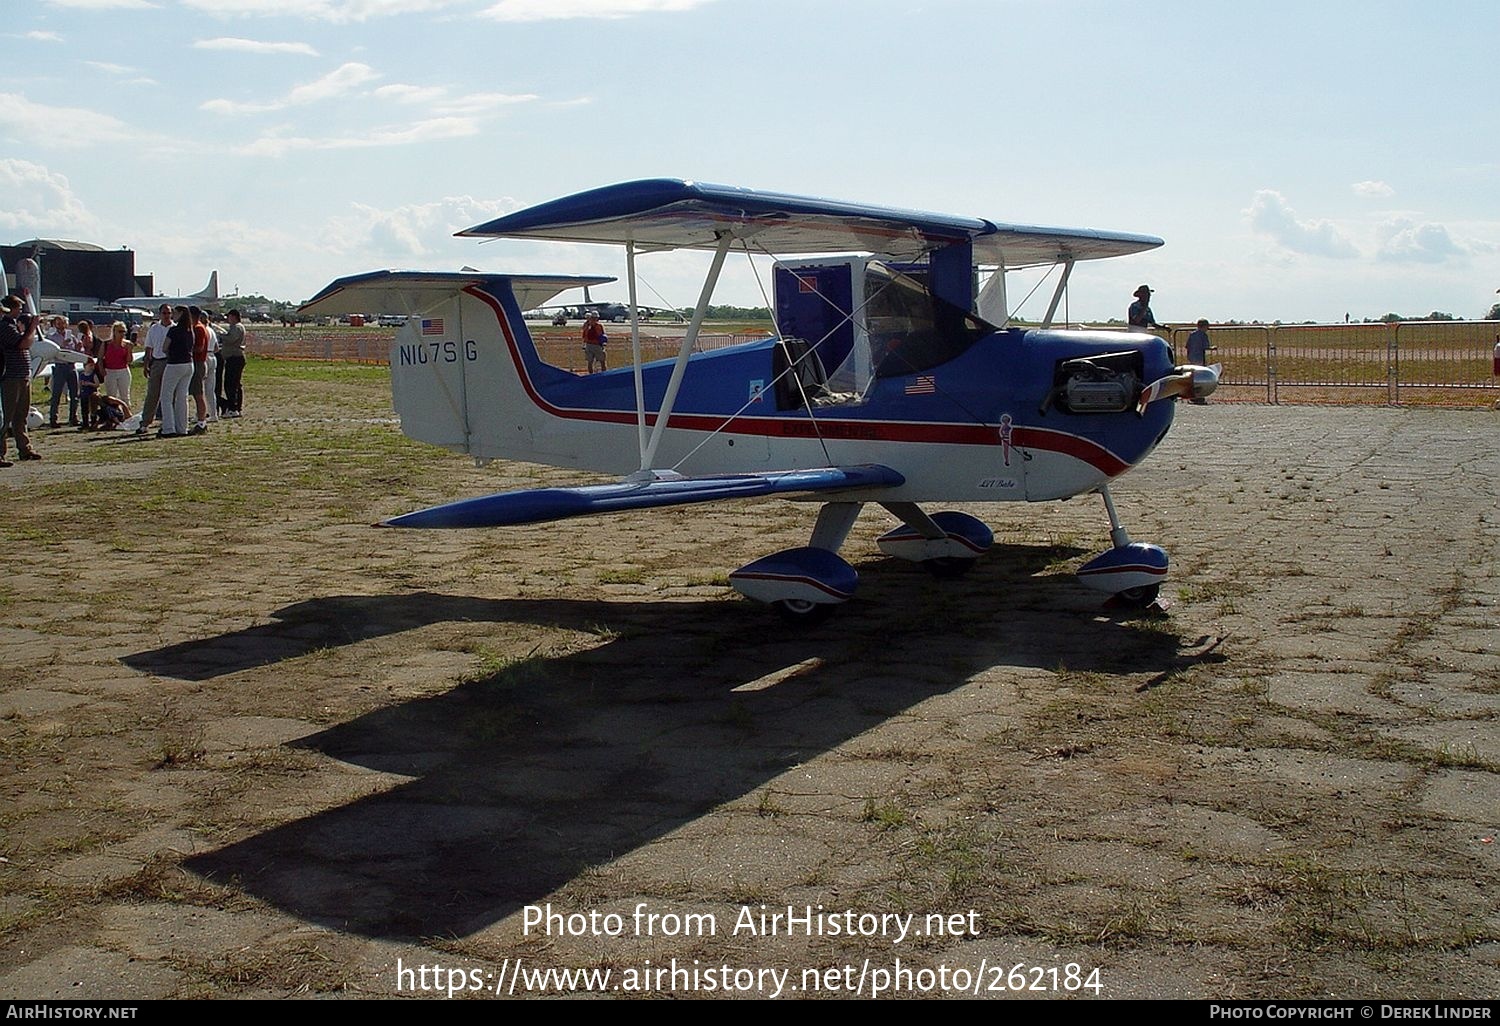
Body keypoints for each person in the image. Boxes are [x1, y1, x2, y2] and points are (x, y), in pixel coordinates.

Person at [0, 295, 41, 464]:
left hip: (23, 375)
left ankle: (24, 448)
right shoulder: (5, 327)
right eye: (18, 308)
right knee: (6, 416)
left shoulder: (15, 326)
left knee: (21, 415)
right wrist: (32, 328)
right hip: (11, 376)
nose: (21, 312)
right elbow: (23, 344)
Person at [137, 303, 173, 435]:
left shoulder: (174, 328)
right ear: (160, 314)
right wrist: (146, 364)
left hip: (170, 362)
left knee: (169, 394)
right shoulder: (154, 329)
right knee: (152, 394)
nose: (167, 316)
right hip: (157, 362)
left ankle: (168, 422)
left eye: (169, 313)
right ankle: (145, 423)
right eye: (164, 313)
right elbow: (148, 347)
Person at [159, 306, 195, 437]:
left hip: (175, 364)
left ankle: (168, 428)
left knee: (166, 396)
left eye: (174, 313)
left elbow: (164, 347)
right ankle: (182, 427)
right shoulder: (190, 330)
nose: (172, 315)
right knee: (182, 396)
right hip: (188, 364)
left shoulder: (173, 330)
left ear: (180, 314)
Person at [47, 316, 84, 427]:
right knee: (56, 393)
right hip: (60, 366)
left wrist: (79, 347)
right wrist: (62, 345)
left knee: (75, 394)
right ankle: (53, 418)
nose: (61, 325)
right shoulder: (52, 338)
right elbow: (52, 352)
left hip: (71, 366)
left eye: (63, 323)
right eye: (58, 323)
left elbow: (79, 352)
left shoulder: (72, 337)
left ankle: (73, 417)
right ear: (55, 325)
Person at [219, 309, 246, 417]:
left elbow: (231, 339)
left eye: (229, 317)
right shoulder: (237, 327)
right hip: (235, 358)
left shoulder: (237, 327)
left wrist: (221, 335)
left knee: (230, 384)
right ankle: (236, 408)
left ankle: (233, 408)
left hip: (234, 358)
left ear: (233, 316)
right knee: (235, 384)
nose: (227, 319)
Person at [101, 321, 134, 407]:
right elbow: (100, 358)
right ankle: (113, 416)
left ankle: (127, 415)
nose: (122, 334)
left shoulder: (126, 344)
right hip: (110, 371)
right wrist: (102, 370)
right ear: (114, 332)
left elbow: (129, 361)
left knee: (125, 396)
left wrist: (129, 350)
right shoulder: (106, 344)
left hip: (123, 371)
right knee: (112, 396)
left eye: (123, 331)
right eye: (120, 331)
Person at [1185, 319, 1215, 405]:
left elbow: (1187, 346)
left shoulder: (1192, 334)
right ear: (1204, 326)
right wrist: (1212, 348)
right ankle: (1199, 396)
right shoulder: (1203, 335)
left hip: (1191, 357)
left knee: (1192, 377)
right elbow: (1206, 346)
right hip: (1199, 358)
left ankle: (1192, 396)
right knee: (1200, 377)